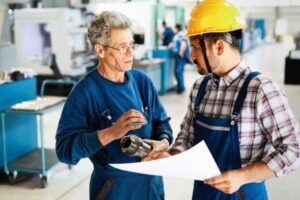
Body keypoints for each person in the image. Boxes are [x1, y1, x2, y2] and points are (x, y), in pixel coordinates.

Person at [146, 0, 300, 199]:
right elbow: (186, 137)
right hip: (203, 193)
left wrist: (242, 176)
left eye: (195, 47)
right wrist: (170, 158)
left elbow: (293, 149)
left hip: (244, 194)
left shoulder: (261, 90)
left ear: (219, 47)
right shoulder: (200, 88)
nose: (191, 55)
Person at [55, 11, 173, 200]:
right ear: (100, 50)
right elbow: (65, 152)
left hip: (151, 185)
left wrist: (163, 142)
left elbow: (163, 124)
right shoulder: (84, 93)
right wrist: (111, 133)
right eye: (123, 47)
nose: (131, 52)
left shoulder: (142, 81)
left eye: (132, 45)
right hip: (114, 189)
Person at [169, 23, 190, 93]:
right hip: (178, 56)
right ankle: (179, 86)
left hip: (181, 56)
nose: (173, 30)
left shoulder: (181, 34)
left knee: (178, 72)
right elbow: (176, 43)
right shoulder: (178, 35)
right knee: (177, 72)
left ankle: (181, 88)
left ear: (177, 28)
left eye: (174, 28)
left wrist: (181, 52)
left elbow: (183, 43)